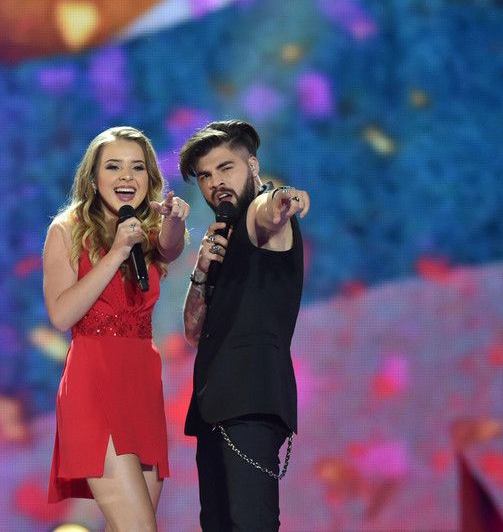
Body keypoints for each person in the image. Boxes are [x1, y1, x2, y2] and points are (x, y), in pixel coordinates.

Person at [44, 126, 190, 531]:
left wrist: (174, 220)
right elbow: (61, 315)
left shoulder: (147, 230)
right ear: (93, 178)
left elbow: (171, 247)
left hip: (141, 385)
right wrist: (116, 253)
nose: (126, 176)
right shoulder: (67, 229)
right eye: (113, 166)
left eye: (137, 167)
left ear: (149, 178)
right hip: (93, 386)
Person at [178, 120, 310, 531]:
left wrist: (283, 198)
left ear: (252, 166)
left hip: (251, 401)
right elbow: (193, 332)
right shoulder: (224, 237)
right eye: (205, 175)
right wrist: (202, 269)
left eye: (226, 168)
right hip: (214, 407)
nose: (215, 182)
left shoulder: (258, 216)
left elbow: (270, 211)